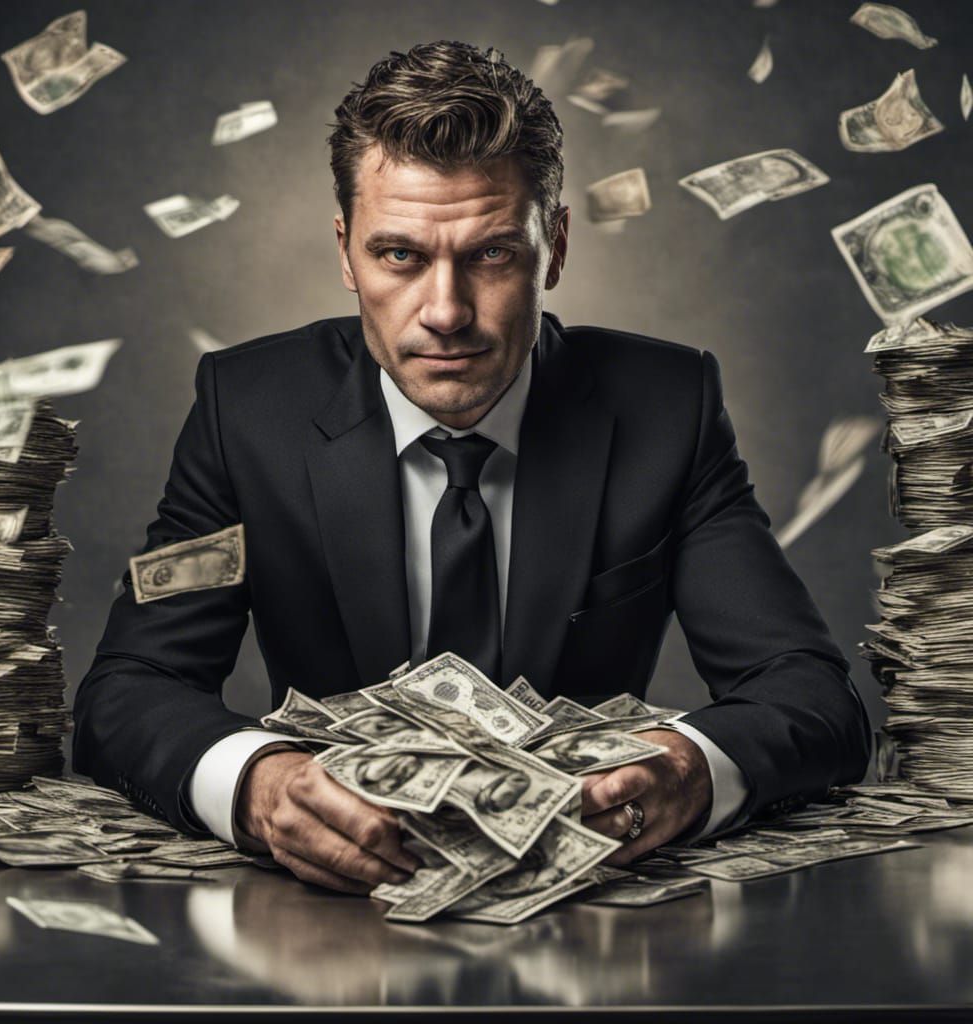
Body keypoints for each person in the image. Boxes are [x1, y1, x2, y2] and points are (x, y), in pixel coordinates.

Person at [72, 40, 871, 896]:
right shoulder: (247, 413)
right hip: (326, 929)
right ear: (346, 252)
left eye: (492, 254)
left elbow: (812, 696)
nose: (446, 313)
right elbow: (127, 690)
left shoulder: (664, 411)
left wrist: (690, 771)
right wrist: (261, 787)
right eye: (399, 256)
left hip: (591, 929)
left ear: (554, 247)